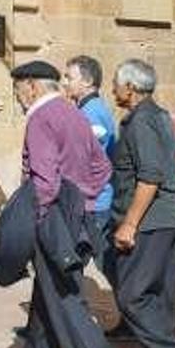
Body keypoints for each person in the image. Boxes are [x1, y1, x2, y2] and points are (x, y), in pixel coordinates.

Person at [11, 61, 114, 348]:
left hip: (53, 222)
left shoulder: (41, 117)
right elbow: (102, 166)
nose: (17, 97)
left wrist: (38, 221)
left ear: (31, 85)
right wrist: (83, 200)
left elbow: (43, 182)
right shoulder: (74, 111)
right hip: (76, 218)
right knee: (46, 299)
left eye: (17, 89)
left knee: (67, 303)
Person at [106, 59, 175, 348]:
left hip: (150, 222)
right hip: (168, 218)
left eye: (116, 83)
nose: (112, 88)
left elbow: (150, 176)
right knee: (162, 294)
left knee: (132, 295)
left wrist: (129, 224)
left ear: (130, 88)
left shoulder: (141, 121)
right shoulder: (158, 115)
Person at [62, 55, 118, 280]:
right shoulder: (89, 109)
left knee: (78, 263)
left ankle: (136, 307)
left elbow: (84, 162)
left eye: (69, 77)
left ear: (87, 82)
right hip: (94, 201)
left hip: (94, 203)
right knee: (101, 260)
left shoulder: (91, 113)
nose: (64, 82)